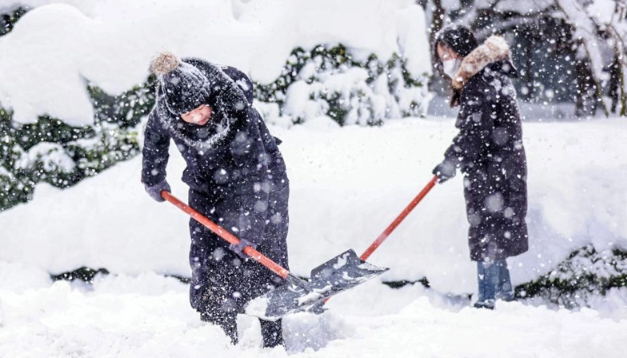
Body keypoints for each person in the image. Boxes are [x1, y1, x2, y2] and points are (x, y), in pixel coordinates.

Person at [141, 52, 290, 346]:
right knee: (207, 258)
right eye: (187, 115)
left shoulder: (237, 109)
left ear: (210, 97)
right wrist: (152, 176)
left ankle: (273, 342)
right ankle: (219, 341)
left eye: (200, 109)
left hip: (262, 179)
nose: (196, 118)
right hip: (206, 184)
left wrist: (250, 231)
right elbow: (154, 138)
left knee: (263, 257)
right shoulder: (167, 110)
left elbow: (254, 175)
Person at [431, 25, 529, 309]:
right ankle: (503, 295)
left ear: (461, 49)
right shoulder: (488, 75)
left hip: (493, 169)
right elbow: (478, 131)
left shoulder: (480, 79)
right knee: (495, 232)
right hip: (500, 166)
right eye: (441, 55)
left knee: (488, 232)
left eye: (447, 52)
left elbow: (475, 133)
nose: (445, 59)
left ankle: (487, 300)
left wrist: (451, 161)